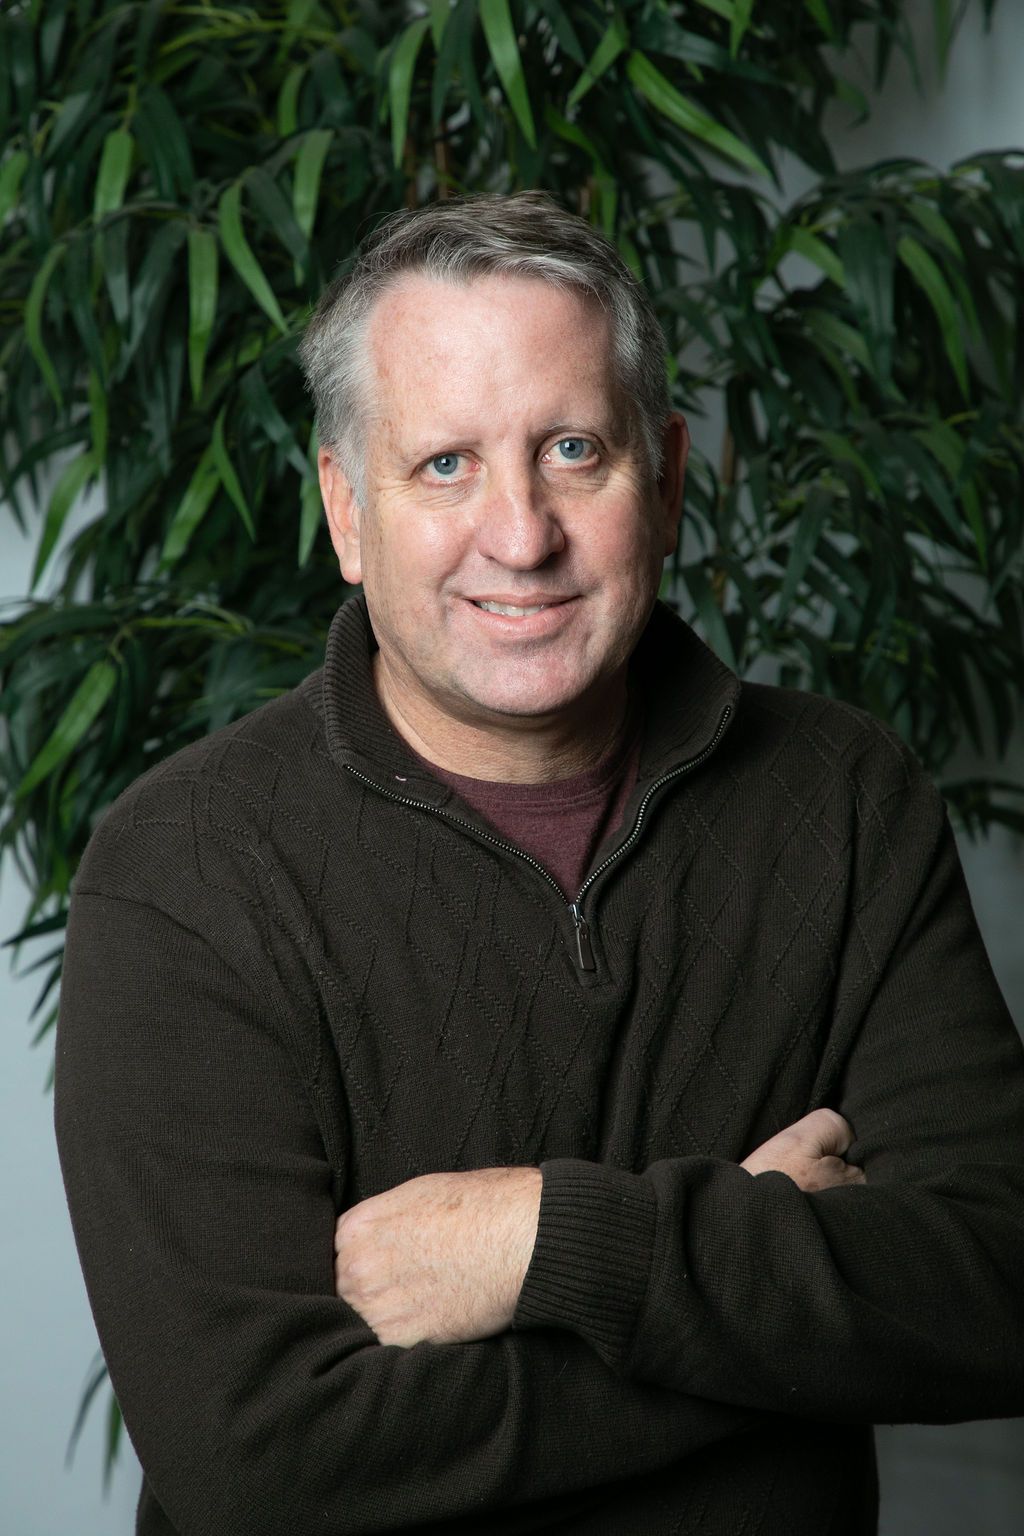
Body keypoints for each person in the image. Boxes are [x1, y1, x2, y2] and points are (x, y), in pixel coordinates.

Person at [55, 192, 1024, 1536]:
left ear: (669, 477)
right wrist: (756, 1281)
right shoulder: (185, 871)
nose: (520, 535)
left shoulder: (845, 797)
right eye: (445, 464)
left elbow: (996, 1288)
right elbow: (260, 1462)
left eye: (573, 450)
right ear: (346, 510)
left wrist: (543, 1244)